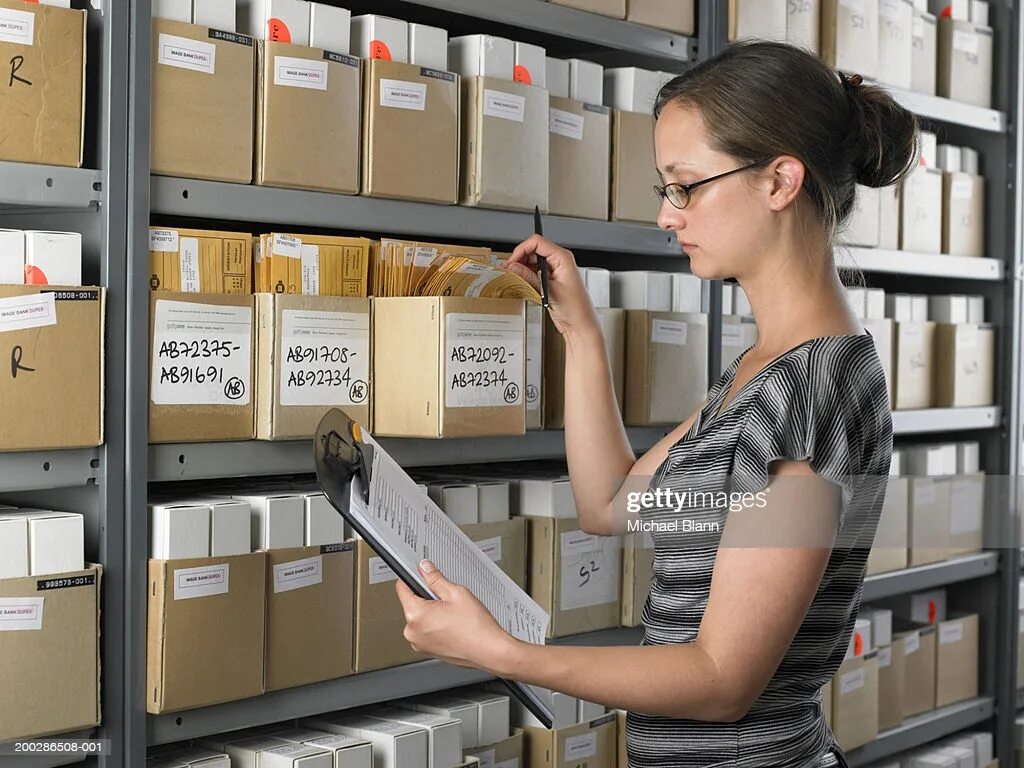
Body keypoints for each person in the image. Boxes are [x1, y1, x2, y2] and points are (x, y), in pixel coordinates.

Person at [395, 41, 916, 767]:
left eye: (686, 185)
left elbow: (720, 679)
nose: (669, 217)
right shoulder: (763, 371)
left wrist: (505, 653)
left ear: (779, 181)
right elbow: (611, 504)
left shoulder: (809, 392)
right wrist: (581, 331)